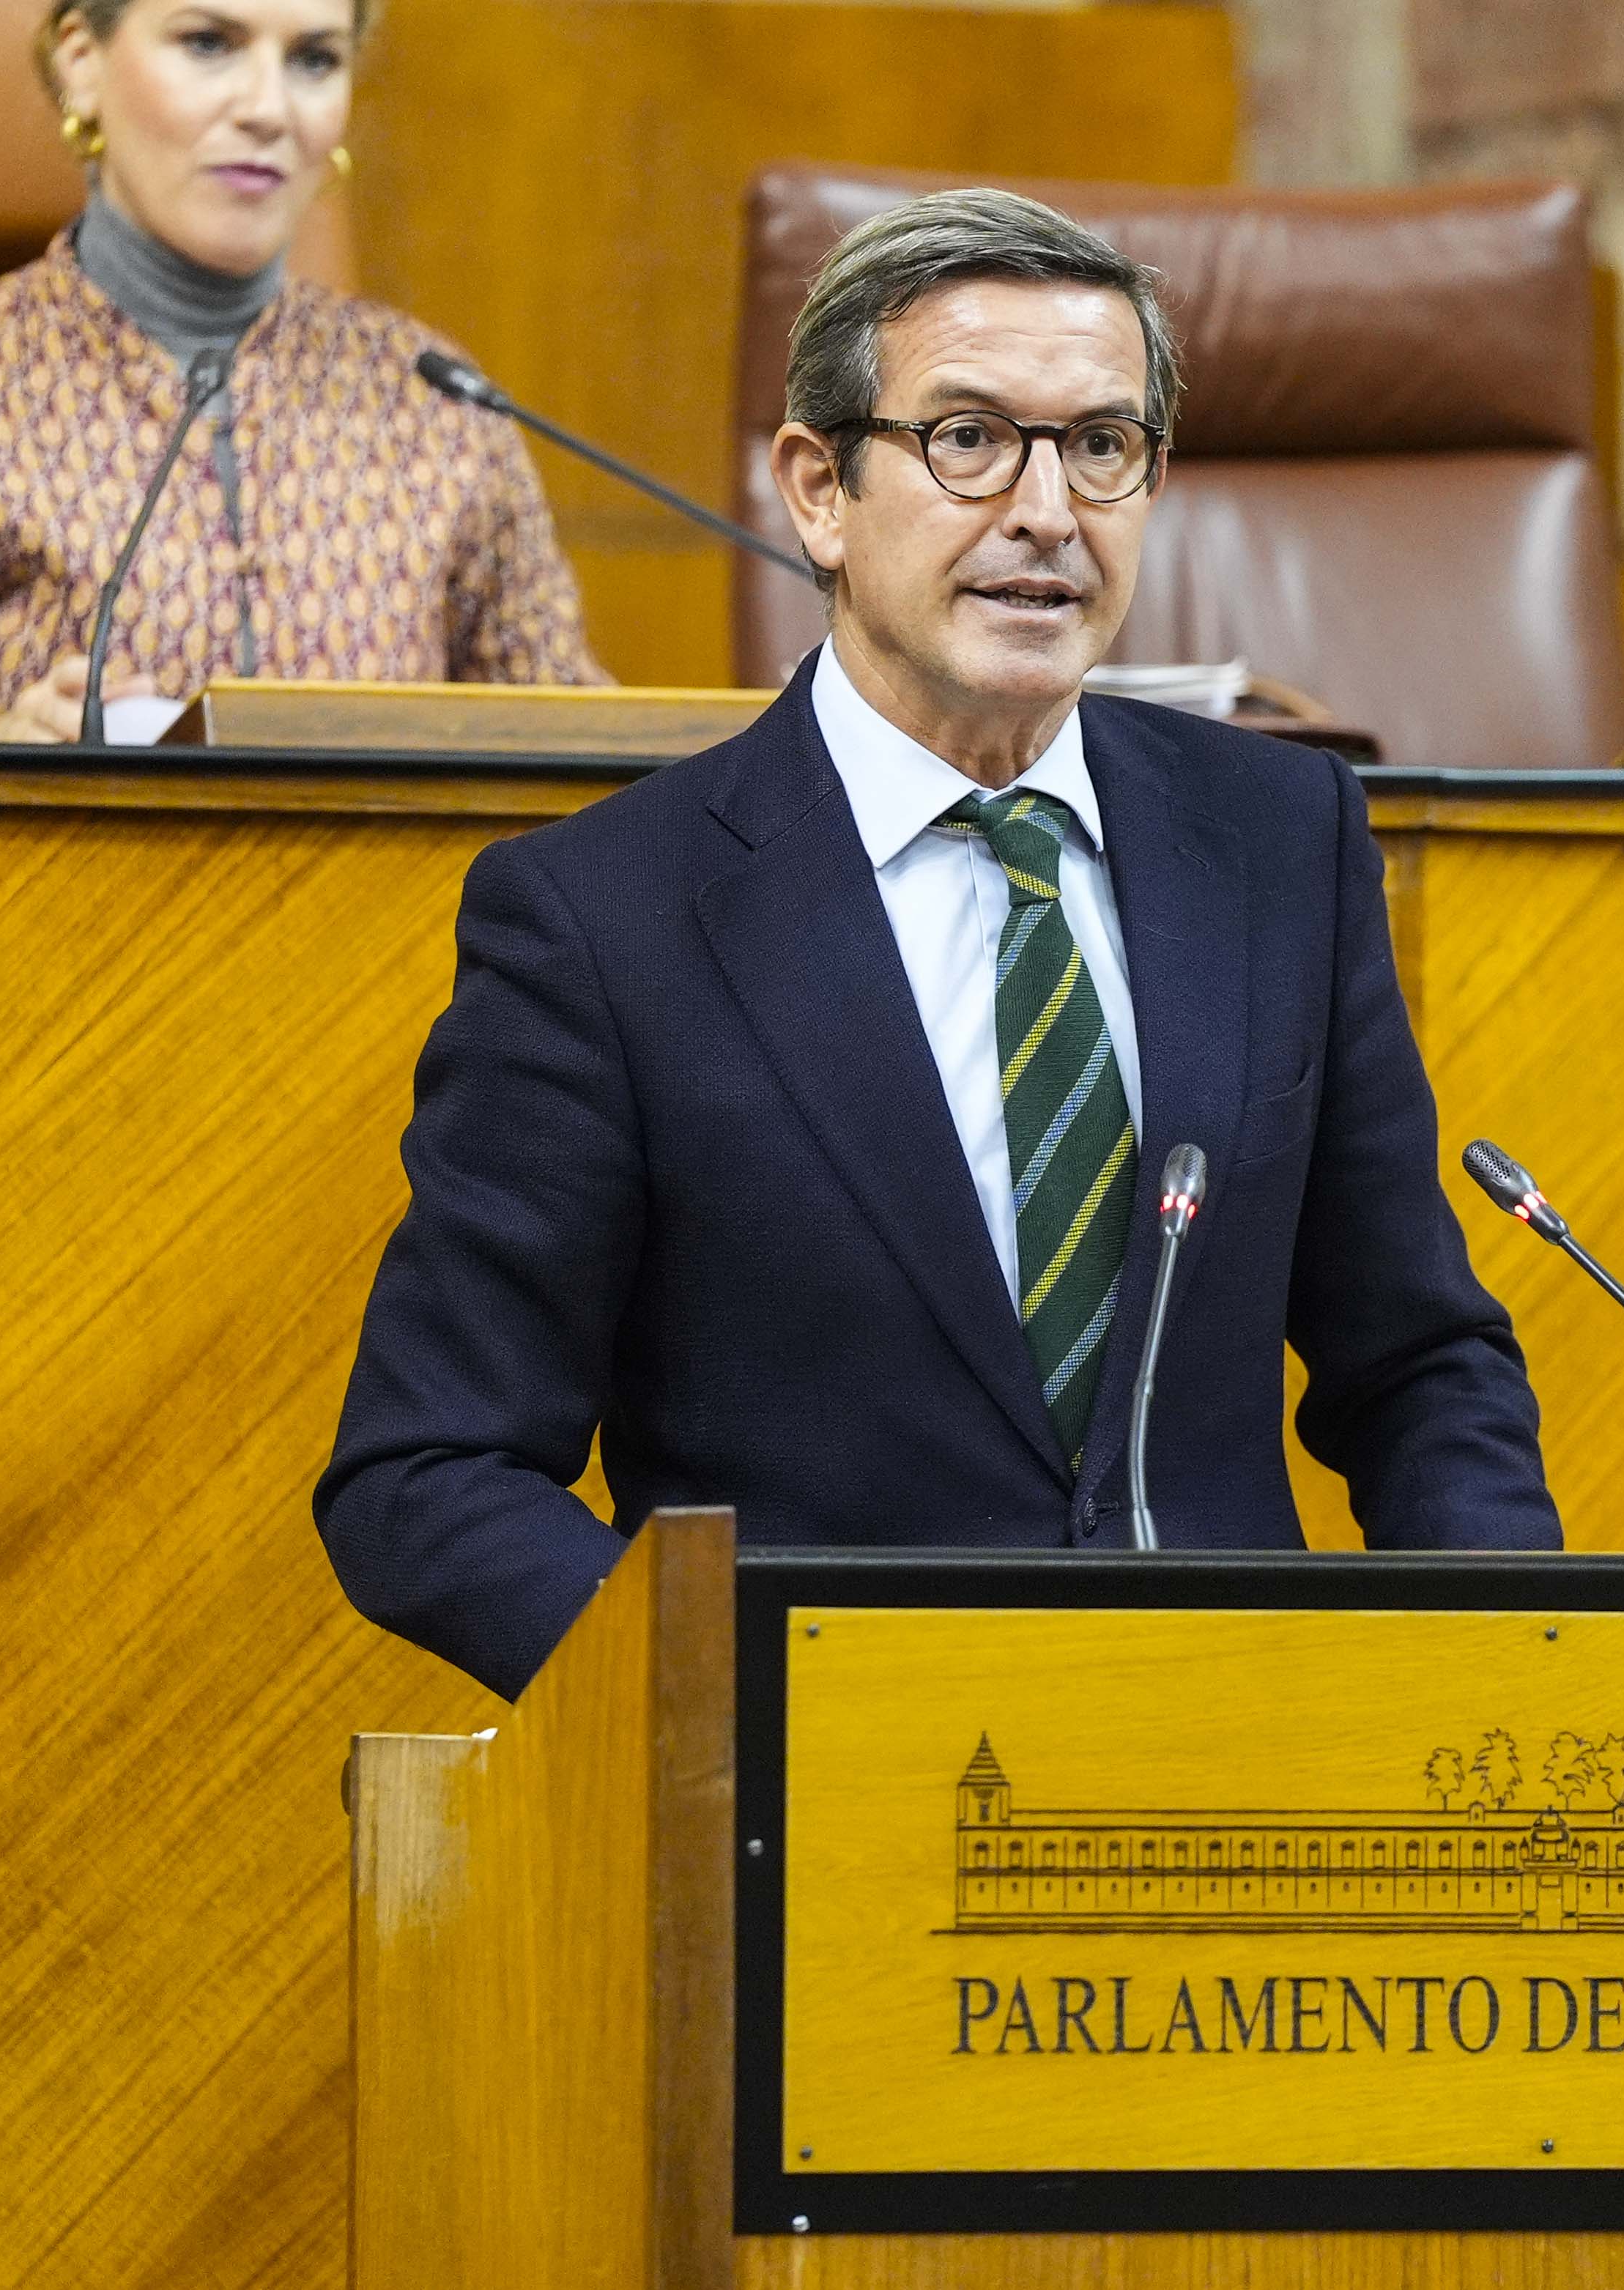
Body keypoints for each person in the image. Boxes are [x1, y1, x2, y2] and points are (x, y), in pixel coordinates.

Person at [316, 188, 1560, 1697]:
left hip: (1239, 1776)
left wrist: (1507, 1666)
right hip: (821, 1811)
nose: (1046, 509)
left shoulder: (1280, 842)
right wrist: (750, 1697)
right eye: (968, 439)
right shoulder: (601, 919)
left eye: (1102, 446)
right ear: (818, 490)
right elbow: (428, 1472)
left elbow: (1416, 1365)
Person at [0, 0, 601, 741]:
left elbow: (576, 767)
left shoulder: (438, 403)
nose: (269, 108)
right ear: (82, 61)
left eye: (315, 59)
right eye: (208, 43)